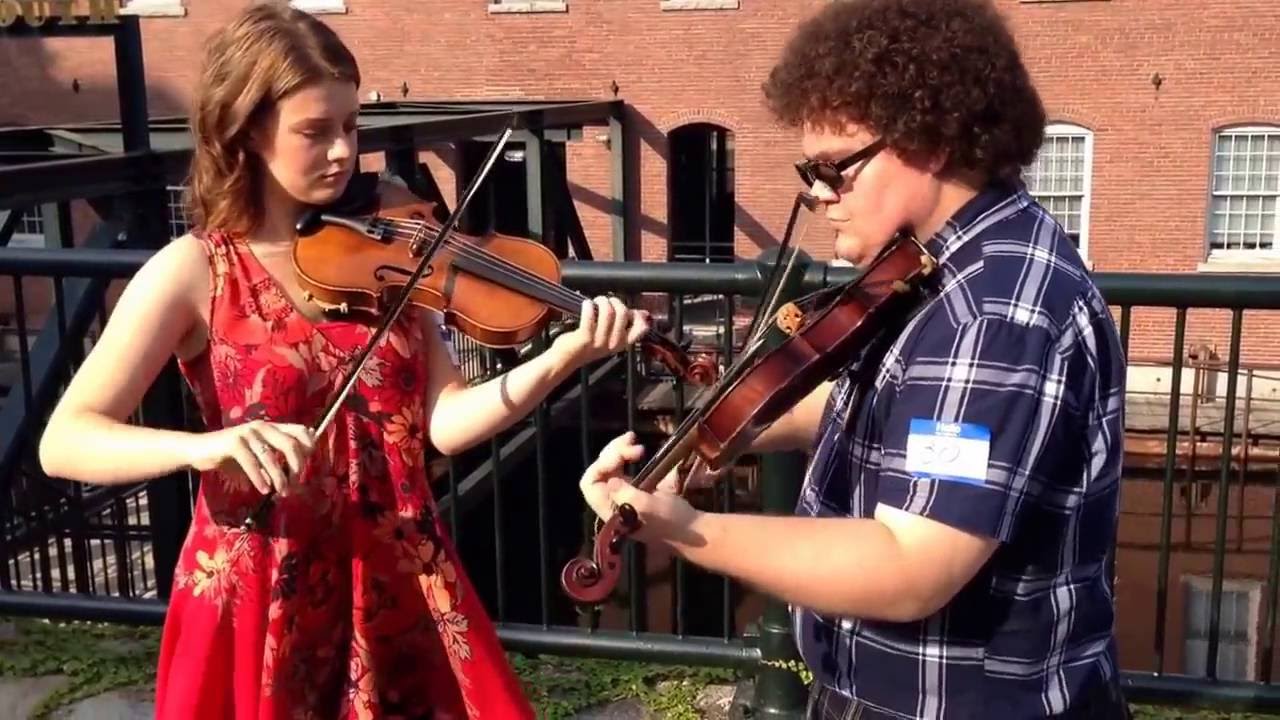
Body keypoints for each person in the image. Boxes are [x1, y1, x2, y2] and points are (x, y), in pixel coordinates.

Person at [36, 3, 651, 718]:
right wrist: (209, 446)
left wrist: (565, 356)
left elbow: (445, 424)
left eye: (350, 128)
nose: (342, 153)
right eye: (314, 131)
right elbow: (66, 440)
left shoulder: (394, 246)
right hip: (261, 586)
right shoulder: (193, 271)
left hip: (399, 574)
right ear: (245, 131)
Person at [576, 1, 1130, 718]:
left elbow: (910, 566)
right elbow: (869, 404)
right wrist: (716, 438)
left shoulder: (993, 312)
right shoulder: (931, 268)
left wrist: (682, 528)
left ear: (928, 143)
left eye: (836, 169)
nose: (816, 193)